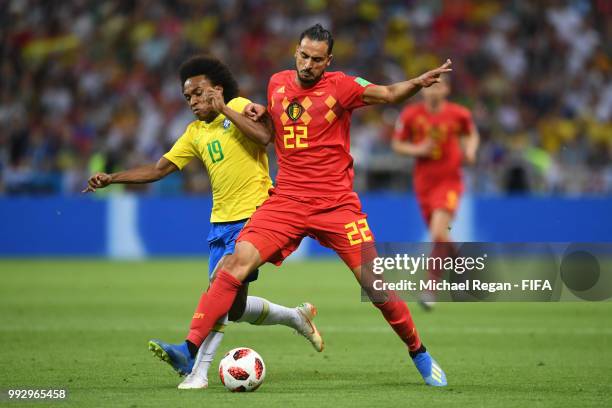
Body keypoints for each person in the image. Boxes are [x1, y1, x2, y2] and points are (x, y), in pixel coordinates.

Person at [154, 24, 452, 387]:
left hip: (336, 204)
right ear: (296, 52)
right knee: (233, 264)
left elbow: (388, 94)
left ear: (329, 61)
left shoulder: (342, 86)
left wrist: (416, 84)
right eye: (303, 55)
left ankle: (418, 351)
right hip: (287, 201)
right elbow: (269, 130)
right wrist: (260, 114)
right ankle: (188, 349)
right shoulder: (276, 83)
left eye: (316, 59)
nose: (308, 64)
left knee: (377, 287)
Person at [83, 55, 323, 389]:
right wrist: (113, 178)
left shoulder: (240, 105)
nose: (193, 102)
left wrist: (225, 109)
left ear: (217, 89)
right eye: (188, 98)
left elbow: (264, 137)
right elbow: (159, 169)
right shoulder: (194, 133)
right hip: (220, 224)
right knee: (233, 307)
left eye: (199, 93)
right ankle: (294, 317)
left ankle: (196, 368)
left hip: (256, 216)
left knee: (219, 286)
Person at [391, 75, 479, 310]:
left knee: (438, 233)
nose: (432, 91)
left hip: (449, 181)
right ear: (422, 90)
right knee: (440, 236)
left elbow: (471, 133)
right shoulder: (410, 115)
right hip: (423, 184)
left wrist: (470, 150)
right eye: (429, 86)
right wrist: (418, 148)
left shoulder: (459, 114)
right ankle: (463, 266)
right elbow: (397, 144)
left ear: (447, 89)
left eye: (438, 86)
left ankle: (430, 289)